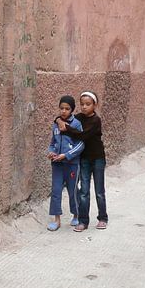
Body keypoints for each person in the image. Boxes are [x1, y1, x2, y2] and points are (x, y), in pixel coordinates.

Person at [59, 91, 108, 232]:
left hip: (98, 158)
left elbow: (83, 135)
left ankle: (103, 218)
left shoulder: (96, 121)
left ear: (95, 105)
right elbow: (64, 117)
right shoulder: (79, 118)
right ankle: (83, 221)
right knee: (84, 191)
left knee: (99, 191)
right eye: (82, 104)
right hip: (84, 159)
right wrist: (58, 120)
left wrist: (66, 128)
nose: (84, 107)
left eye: (88, 104)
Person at [46, 95, 84, 231]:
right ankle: (56, 219)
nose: (63, 111)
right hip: (57, 165)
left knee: (73, 190)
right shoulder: (56, 124)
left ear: (72, 110)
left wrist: (66, 155)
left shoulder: (76, 124)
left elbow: (80, 144)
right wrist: (51, 152)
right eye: (61, 108)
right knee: (56, 191)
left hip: (72, 164)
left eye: (67, 108)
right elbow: (52, 142)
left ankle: (76, 214)